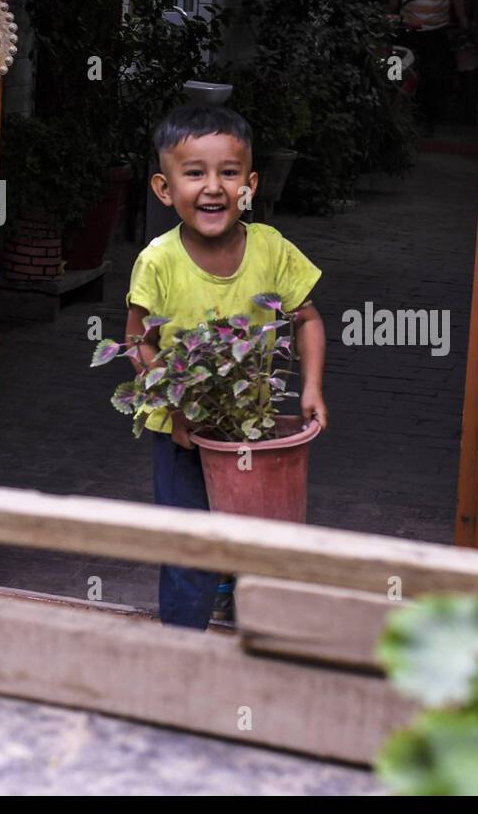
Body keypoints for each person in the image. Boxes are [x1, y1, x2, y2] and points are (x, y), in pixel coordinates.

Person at [124, 105, 328, 629]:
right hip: (182, 433)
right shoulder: (158, 261)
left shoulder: (272, 249)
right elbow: (137, 342)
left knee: (259, 542)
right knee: (189, 545)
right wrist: (177, 408)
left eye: (229, 173)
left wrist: (311, 389)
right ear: (164, 189)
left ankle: (254, 635)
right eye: (194, 173)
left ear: (250, 185)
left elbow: (306, 319)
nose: (213, 187)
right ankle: (183, 651)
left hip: (251, 430)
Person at [390, 0, 470, 130]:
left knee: (432, 76)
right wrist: (390, 17)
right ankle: (397, 116)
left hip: (435, 31)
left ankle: (426, 119)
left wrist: (463, 21)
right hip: (408, 28)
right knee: (398, 71)